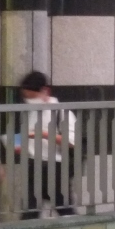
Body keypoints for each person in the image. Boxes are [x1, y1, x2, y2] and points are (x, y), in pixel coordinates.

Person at [16, 71, 76, 219]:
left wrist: (42, 134)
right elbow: (22, 132)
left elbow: (71, 141)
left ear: (45, 91)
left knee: (65, 210)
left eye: (32, 97)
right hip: (32, 165)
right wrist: (18, 144)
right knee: (30, 211)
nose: (29, 101)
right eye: (26, 97)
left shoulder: (60, 111)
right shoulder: (28, 111)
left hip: (55, 168)